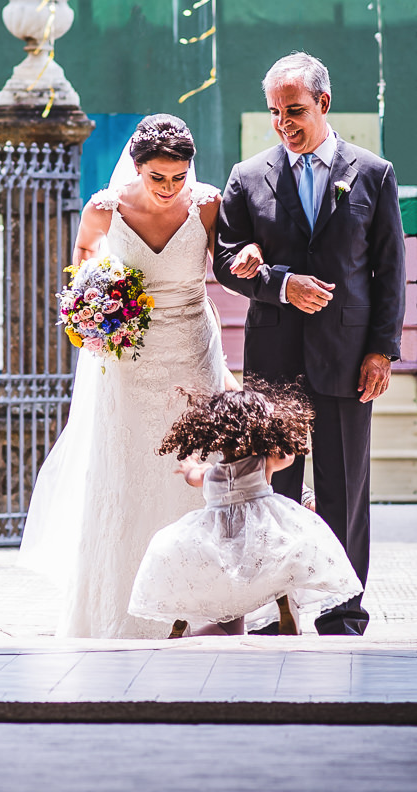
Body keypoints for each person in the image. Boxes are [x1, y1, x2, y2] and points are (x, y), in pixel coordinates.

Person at [20, 114, 242, 639]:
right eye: (157, 178)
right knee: (128, 468)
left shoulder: (207, 204)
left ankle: (209, 605)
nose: (168, 189)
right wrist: (98, 297)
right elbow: (81, 266)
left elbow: (227, 264)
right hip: (128, 359)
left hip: (193, 349)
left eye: (177, 177)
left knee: (197, 469)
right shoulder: (105, 208)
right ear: (136, 169)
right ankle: (122, 606)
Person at [214, 52, 406, 635]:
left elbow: (388, 270)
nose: (283, 122)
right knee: (273, 487)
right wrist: (278, 283)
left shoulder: (373, 173)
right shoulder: (248, 177)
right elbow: (226, 261)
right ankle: (282, 608)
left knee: (345, 487)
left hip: (350, 357)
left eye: (293, 110)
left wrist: (382, 351)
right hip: (274, 359)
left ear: (323, 103)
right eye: (275, 112)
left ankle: (344, 609)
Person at [128, 386, 363, 638]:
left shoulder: (211, 473)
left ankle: (182, 621)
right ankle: (282, 599)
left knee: (231, 624)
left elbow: (191, 477)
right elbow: (289, 457)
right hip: (258, 536)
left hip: (219, 542)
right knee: (284, 562)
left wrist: (190, 465)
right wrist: (292, 431)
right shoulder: (264, 461)